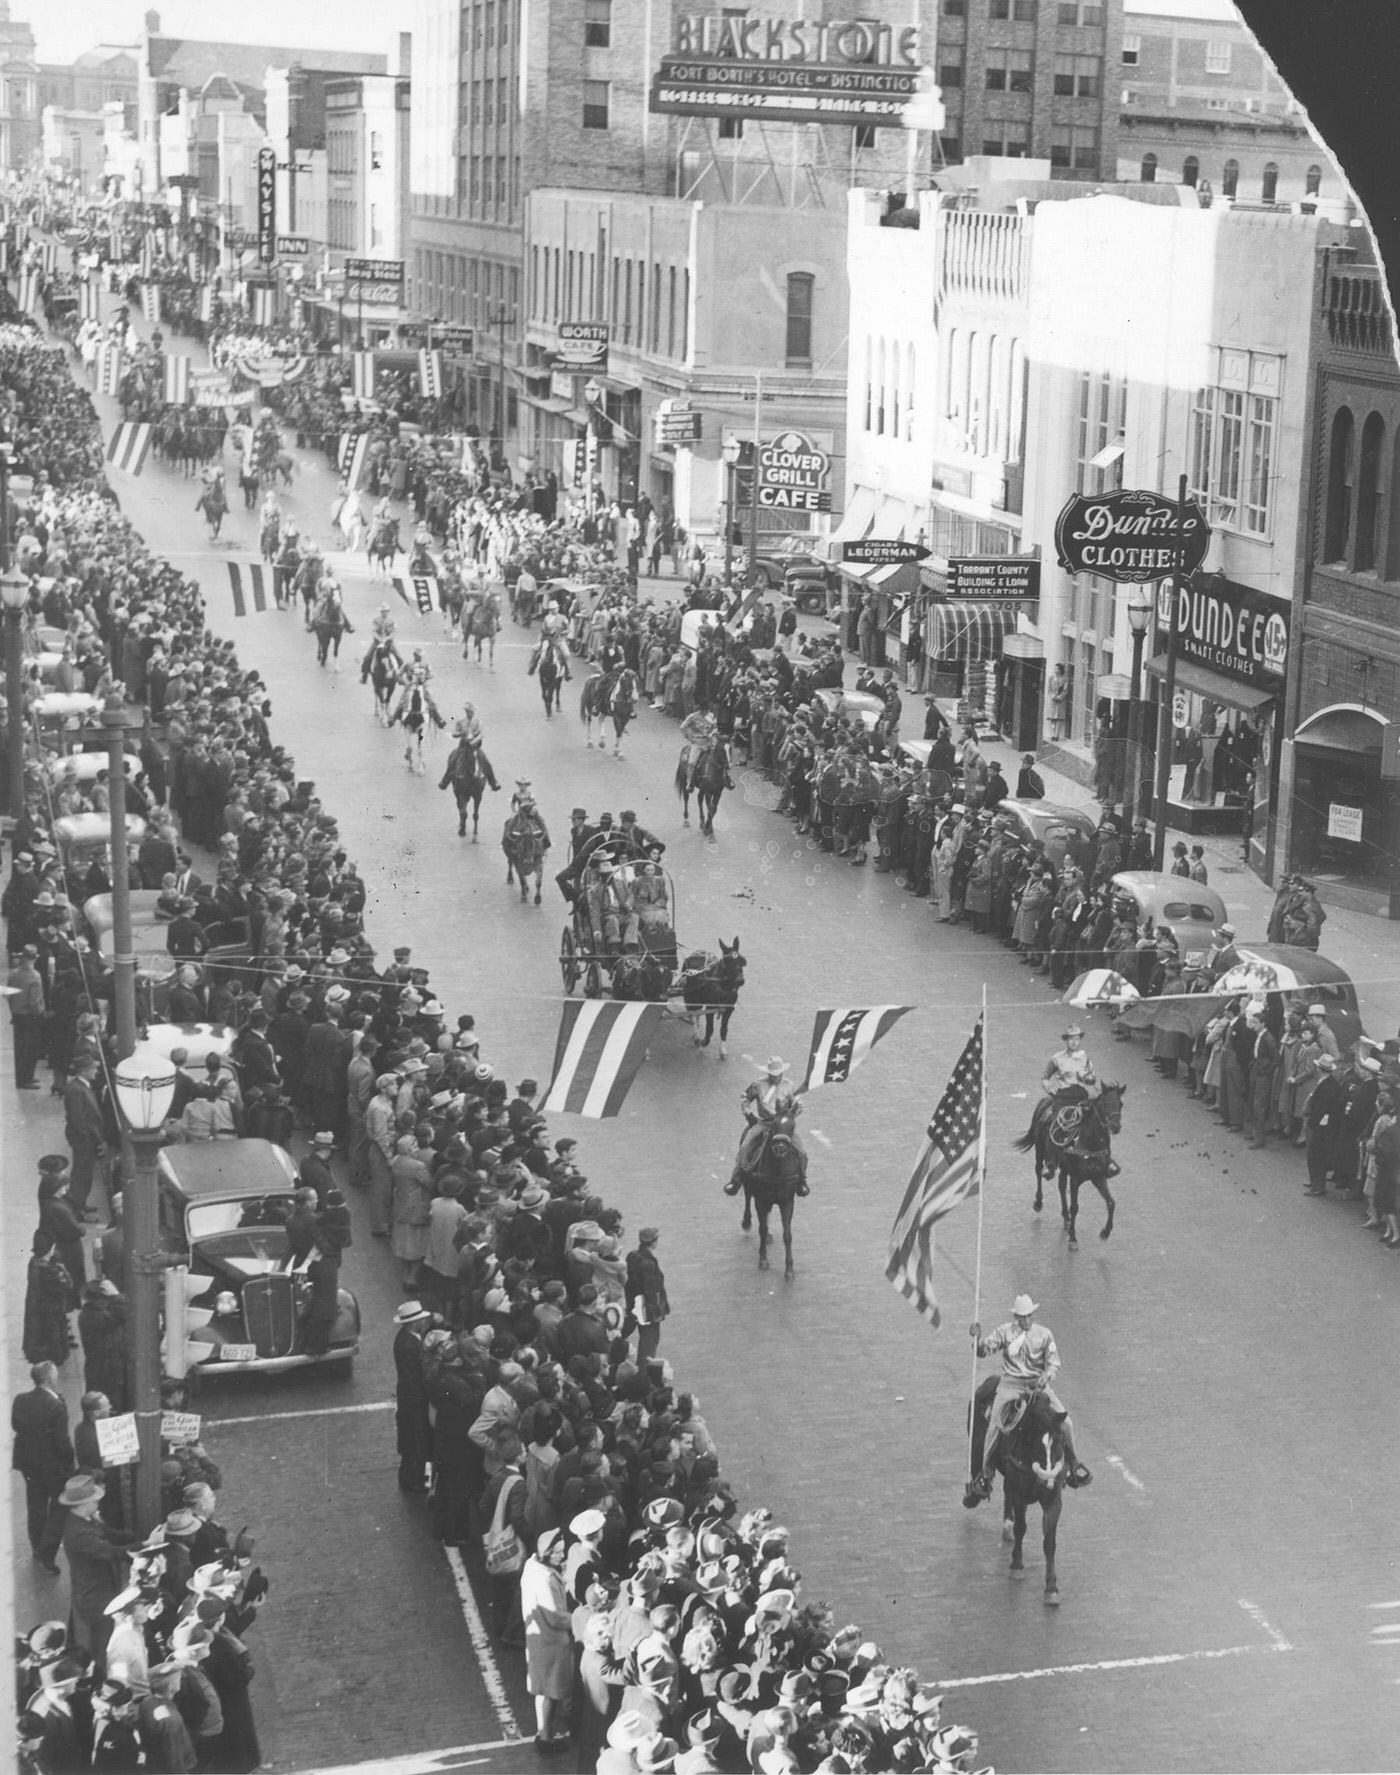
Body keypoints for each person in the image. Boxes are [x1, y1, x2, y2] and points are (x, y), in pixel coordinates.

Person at [964, 1294, 1091, 1501]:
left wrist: (1046, 1376)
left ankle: (1073, 1465)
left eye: (1029, 1316)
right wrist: (977, 1340)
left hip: (1038, 1387)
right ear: (1016, 1316)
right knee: (994, 1426)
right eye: (1022, 1317)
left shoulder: (1044, 1334)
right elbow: (984, 1350)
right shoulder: (1004, 1332)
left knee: (1067, 1423)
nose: (1026, 1320)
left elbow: (1053, 1363)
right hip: (1011, 1385)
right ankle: (986, 1475)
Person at [11, 1361, 74, 1571]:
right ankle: (47, 1552)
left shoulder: (21, 1400)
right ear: (49, 1379)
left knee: (35, 1506)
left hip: (29, 1465)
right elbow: (61, 1442)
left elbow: (16, 1425)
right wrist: (69, 1461)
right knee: (58, 1508)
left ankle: (36, 1546)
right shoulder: (56, 1405)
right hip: (53, 1468)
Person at [520, 1528, 573, 1749]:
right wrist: (580, 1618)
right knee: (551, 1691)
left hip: (538, 1642)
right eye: (558, 1552)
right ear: (547, 1553)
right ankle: (546, 1738)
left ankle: (544, 1733)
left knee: (542, 1691)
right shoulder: (547, 1579)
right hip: (552, 1643)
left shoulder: (531, 1568)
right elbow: (557, 1617)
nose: (562, 1556)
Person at [392, 1301, 434, 1493]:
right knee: (415, 1441)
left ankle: (412, 1477)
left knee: (414, 1441)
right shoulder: (408, 1346)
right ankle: (412, 1480)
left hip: (410, 1399)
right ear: (412, 1322)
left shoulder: (408, 1338)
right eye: (420, 1319)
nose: (424, 1321)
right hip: (413, 1401)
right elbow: (415, 1377)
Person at [626, 1228, 670, 1365]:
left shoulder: (633, 1256)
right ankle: (644, 1371)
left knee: (644, 1336)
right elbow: (650, 1291)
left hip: (636, 1303)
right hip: (647, 1308)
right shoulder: (648, 1263)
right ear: (653, 1242)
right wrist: (656, 1312)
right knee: (650, 1340)